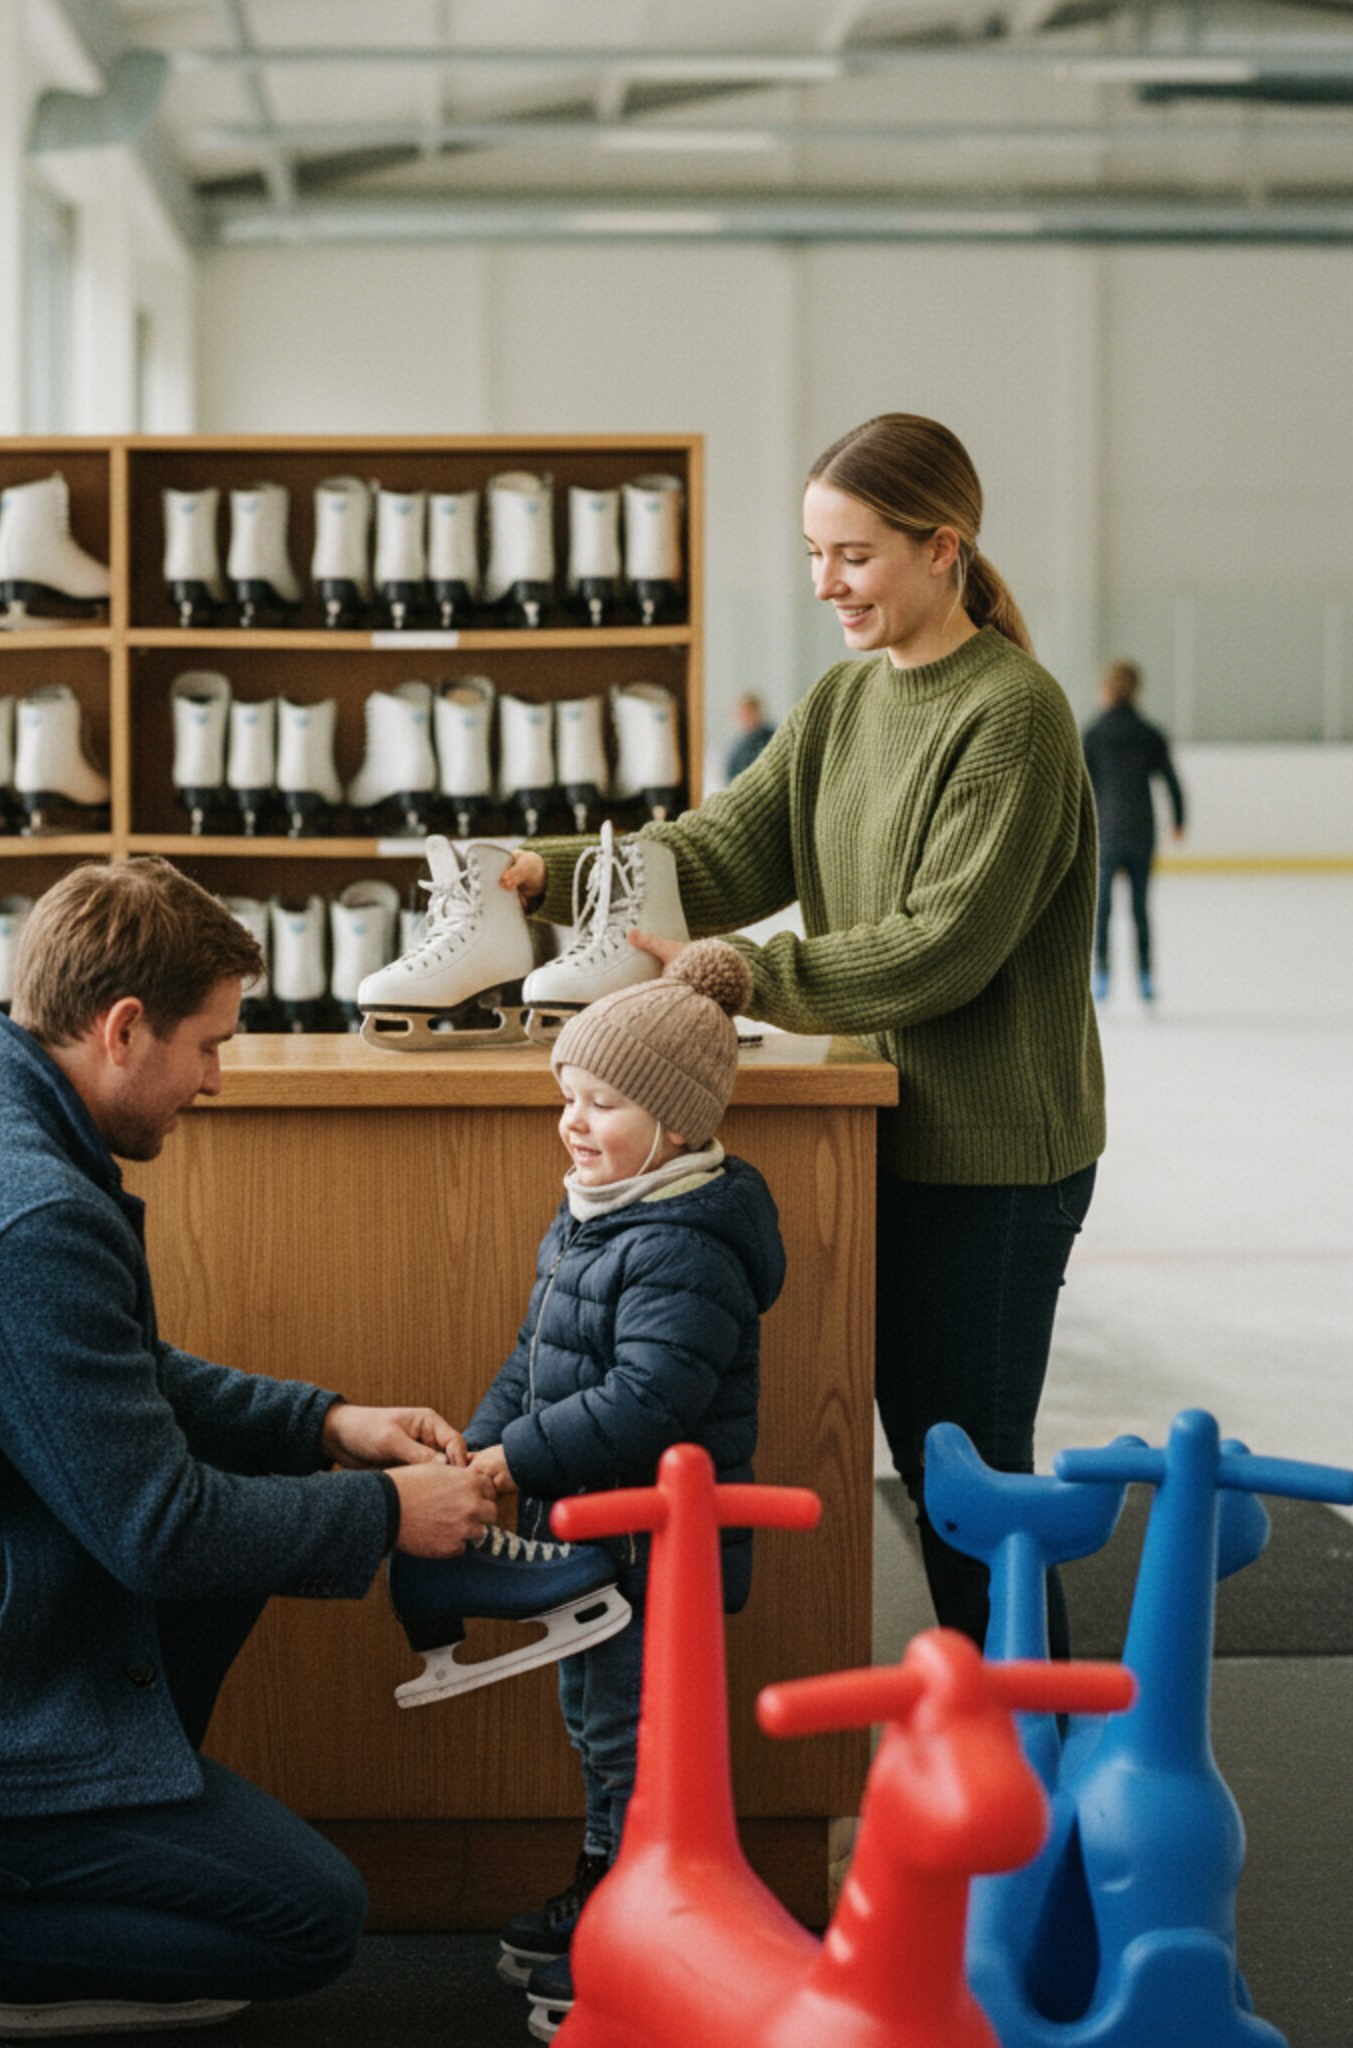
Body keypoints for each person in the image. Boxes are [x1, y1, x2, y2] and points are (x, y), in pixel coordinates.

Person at [0, 860, 497, 2048]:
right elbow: (158, 1527)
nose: (216, 1079)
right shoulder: (20, 1204)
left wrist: (323, 1423)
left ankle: (68, 1884)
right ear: (123, 1029)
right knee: (305, 1919)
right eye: (208, 1043)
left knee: (242, 1541)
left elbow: (105, 1373)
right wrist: (388, 1514)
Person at [501, 413, 1104, 1658]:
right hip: (882, 1127)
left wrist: (744, 973)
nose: (823, 583)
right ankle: (988, 1746)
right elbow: (725, 848)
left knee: (968, 1482)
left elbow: (941, 945)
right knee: (924, 1463)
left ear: (943, 549)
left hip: (994, 1161)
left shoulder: (1014, 715)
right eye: (812, 552)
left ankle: (1038, 1775)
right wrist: (544, 873)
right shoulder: (841, 702)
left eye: (853, 555)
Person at [461, 941, 785, 2012]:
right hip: (587, 1534)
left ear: (677, 1123)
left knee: (633, 1725)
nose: (572, 1119)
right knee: (594, 1715)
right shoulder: (597, 1211)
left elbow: (648, 1401)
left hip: (655, 1550)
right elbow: (532, 1353)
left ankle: (630, 1892)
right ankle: (611, 1875)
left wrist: (517, 1458)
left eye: (601, 1101)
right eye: (568, 1094)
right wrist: (479, 1448)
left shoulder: (682, 1241)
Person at [1081, 658, 1185, 1002]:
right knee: (1140, 909)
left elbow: (1080, 787)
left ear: (1107, 691)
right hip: (1141, 831)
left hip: (1107, 832)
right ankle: (1144, 977)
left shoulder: (1094, 734)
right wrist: (1179, 821)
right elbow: (1170, 782)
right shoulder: (1149, 734)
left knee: (1104, 910)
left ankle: (1102, 976)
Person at [723, 691, 777, 781]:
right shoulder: (738, 746)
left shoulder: (772, 738)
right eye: (742, 713)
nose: (745, 717)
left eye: (749, 712)